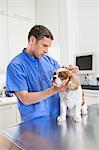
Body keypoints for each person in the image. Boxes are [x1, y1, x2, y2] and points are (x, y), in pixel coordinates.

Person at [6, 25, 78, 122]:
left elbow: (61, 74)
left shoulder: (50, 61)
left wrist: (69, 70)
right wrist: (54, 90)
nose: (46, 51)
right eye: (44, 46)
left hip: (58, 118)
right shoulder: (15, 66)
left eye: (48, 47)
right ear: (32, 40)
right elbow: (25, 98)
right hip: (34, 123)